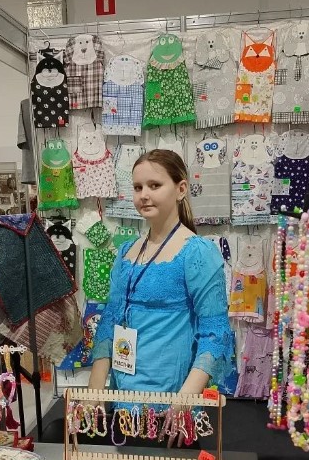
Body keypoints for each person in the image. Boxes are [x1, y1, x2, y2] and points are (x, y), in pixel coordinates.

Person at [88, 149, 232, 436]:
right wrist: (95, 389)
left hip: (170, 405)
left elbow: (215, 333)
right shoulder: (126, 252)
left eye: (154, 185)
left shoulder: (198, 253)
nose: (144, 195)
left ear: (181, 189)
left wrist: (185, 399)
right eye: (137, 187)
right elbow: (110, 320)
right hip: (123, 398)